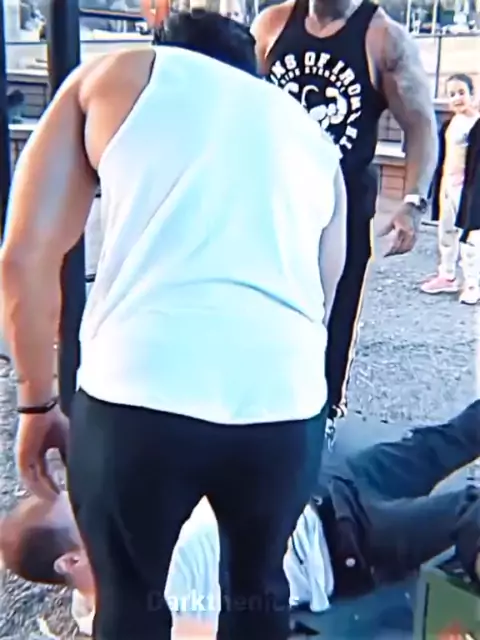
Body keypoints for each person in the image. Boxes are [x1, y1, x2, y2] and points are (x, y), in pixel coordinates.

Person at [0, 6, 347, 640]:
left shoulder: (115, 73)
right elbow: (321, 297)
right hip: (283, 401)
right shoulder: (312, 138)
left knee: (130, 599)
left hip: (140, 389)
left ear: (166, 45)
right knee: (258, 588)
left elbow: (24, 255)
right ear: (254, 71)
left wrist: (36, 400)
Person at [1, 400, 480, 638]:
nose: (90, 502)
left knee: (438, 442)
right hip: (342, 541)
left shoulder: (122, 550)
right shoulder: (142, 603)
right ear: (71, 561)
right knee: (468, 511)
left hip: (325, 488)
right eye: (77, 510)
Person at [252, 0, 438, 421]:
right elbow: (241, 99)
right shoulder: (271, 25)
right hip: (274, 198)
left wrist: (413, 202)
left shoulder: (383, 39)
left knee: (332, 315)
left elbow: (421, 125)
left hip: (343, 206)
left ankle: (324, 414)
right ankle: (257, 411)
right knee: (260, 302)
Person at [420, 73, 480, 305]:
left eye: (462, 93)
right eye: (452, 94)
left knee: (469, 237)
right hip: (448, 184)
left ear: (473, 95)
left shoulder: (476, 124)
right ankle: (447, 275)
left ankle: (472, 282)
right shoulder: (451, 124)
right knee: (446, 232)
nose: (457, 98)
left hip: (469, 189)